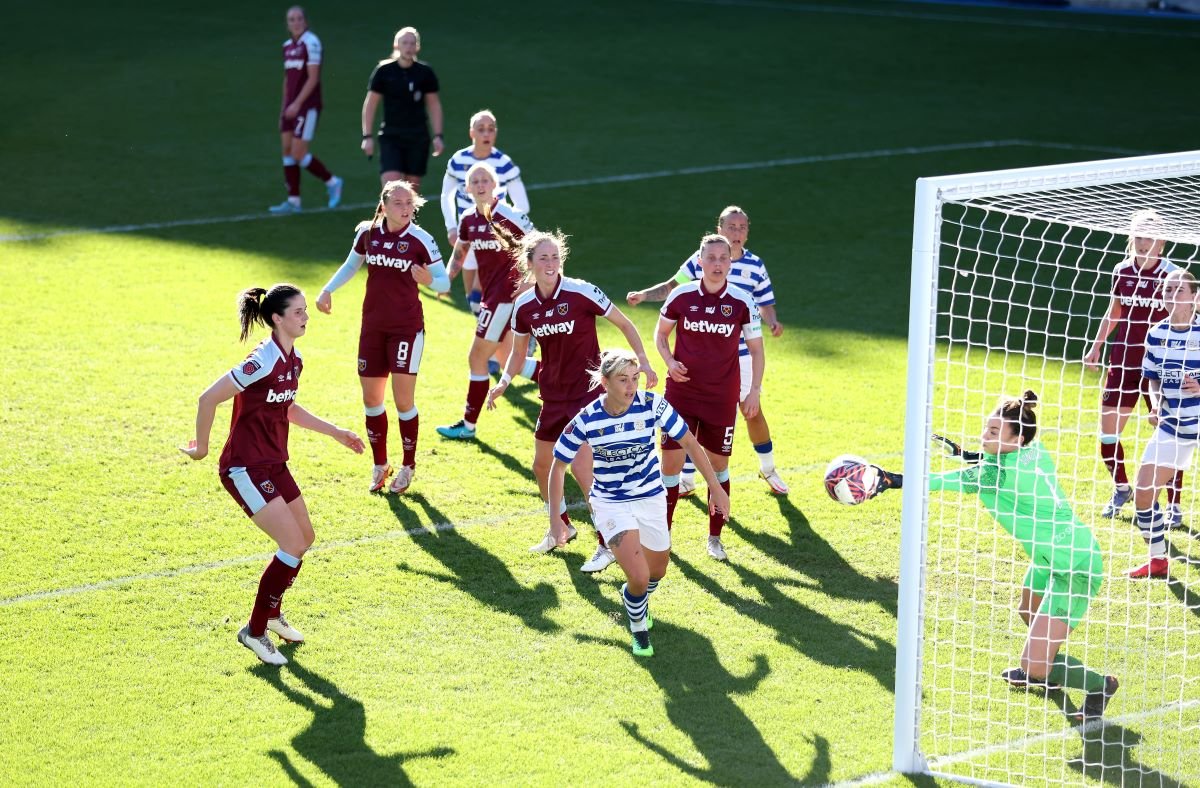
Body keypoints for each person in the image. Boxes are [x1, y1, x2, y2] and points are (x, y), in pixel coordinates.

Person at [870, 392, 1118, 721]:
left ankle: (1098, 685)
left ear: (1018, 438)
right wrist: (971, 453)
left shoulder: (996, 475)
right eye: (986, 428)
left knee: (1035, 662)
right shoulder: (1034, 452)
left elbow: (954, 481)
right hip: (1053, 556)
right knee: (1027, 610)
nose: (984, 435)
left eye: (993, 432)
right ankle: (1045, 666)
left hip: (1075, 567)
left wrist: (896, 480)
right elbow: (996, 464)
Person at [182, 284, 365, 665]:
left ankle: (272, 612)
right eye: (298, 311)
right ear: (277, 318)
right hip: (244, 467)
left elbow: (287, 408)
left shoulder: (292, 360)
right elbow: (208, 398)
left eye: (304, 310)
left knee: (306, 538)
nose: (305, 316)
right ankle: (255, 630)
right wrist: (201, 447)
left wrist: (336, 432)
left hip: (274, 463)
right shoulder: (261, 360)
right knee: (292, 544)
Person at [486, 230, 659, 573]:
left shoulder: (582, 291)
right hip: (553, 395)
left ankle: (605, 545)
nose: (551, 264)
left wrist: (644, 360)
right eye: (543, 259)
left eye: (555, 257)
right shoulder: (524, 306)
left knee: (583, 471)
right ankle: (561, 526)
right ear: (531, 264)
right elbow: (519, 352)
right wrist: (504, 382)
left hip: (586, 395)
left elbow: (624, 323)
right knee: (541, 465)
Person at [547, 349, 729, 657]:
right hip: (611, 503)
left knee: (657, 571)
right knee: (639, 576)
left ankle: (634, 599)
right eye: (622, 380)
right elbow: (557, 466)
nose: (631, 386)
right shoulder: (587, 419)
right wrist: (556, 520)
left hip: (650, 497)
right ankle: (639, 631)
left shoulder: (652, 405)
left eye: (635, 378)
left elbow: (689, 442)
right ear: (605, 382)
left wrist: (716, 487)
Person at [627, 205, 787, 496]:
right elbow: (673, 287)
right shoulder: (701, 259)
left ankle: (768, 468)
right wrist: (645, 295)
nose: (737, 233)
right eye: (731, 227)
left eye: (742, 228)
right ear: (719, 230)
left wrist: (772, 321)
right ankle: (687, 477)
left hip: (740, 353)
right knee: (694, 409)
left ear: (747, 232)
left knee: (751, 411)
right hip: (705, 352)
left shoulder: (755, 265)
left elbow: (764, 301)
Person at [315, 180, 450, 495]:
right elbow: (352, 264)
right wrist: (327, 290)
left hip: (406, 330)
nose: (406, 209)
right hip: (373, 328)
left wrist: (430, 280)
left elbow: (444, 284)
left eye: (409, 204)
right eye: (399, 204)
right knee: (371, 400)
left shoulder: (421, 240)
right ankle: (380, 464)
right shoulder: (368, 233)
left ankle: (408, 465)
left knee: (403, 401)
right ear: (385, 205)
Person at [655, 233, 764, 561]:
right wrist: (670, 362)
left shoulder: (744, 301)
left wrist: (754, 390)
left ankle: (715, 538)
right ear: (699, 262)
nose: (717, 264)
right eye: (711, 258)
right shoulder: (681, 296)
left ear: (731, 263)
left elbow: (757, 351)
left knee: (718, 468)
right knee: (670, 465)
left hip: (721, 398)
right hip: (681, 395)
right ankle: (664, 536)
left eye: (723, 258)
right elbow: (661, 336)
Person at [1084, 209, 1183, 526]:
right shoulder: (1122, 270)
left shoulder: (1173, 276)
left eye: (1150, 237)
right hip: (1123, 361)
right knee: (1108, 435)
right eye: (1139, 236)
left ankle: (1173, 505)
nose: (1143, 243)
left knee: (1168, 433)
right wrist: (1097, 346)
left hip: (1162, 364)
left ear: (1162, 242)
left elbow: (1186, 322)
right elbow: (1114, 311)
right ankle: (1121, 488)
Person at [436, 162, 538, 442]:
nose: (480, 185)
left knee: (476, 358)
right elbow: (460, 252)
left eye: (485, 180)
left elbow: (542, 247)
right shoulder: (468, 219)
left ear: (495, 185)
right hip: (493, 298)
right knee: (510, 361)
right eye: (474, 181)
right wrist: (446, 281)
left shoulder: (511, 216)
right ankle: (568, 382)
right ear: (467, 189)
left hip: (505, 299)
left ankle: (468, 426)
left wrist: (532, 282)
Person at [1128, 268, 1200, 579]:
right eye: (1167, 290)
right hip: (1174, 424)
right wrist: (1156, 405)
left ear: (1195, 297)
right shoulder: (1156, 333)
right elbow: (1151, 380)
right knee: (1143, 492)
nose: (1171, 296)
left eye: (1178, 290)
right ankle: (1157, 559)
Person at [439, 109, 530, 345]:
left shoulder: (504, 163)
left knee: (495, 292)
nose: (486, 133)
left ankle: (501, 344)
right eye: (481, 129)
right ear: (472, 133)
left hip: (496, 241)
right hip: (469, 235)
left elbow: (522, 205)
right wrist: (452, 227)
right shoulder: (458, 161)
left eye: (491, 128)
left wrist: (506, 225)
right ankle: (493, 340)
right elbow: (446, 195)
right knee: (474, 298)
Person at [269, 6, 343, 215]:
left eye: (299, 18)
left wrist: (297, 104)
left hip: (307, 106)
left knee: (298, 152)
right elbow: (287, 80)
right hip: (290, 107)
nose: (296, 22)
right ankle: (294, 201)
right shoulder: (287, 46)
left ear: (305, 21)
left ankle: (332, 182)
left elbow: (313, 78)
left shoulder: (311, 43)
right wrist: (285, 107)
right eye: (291, 19)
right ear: (287, 24)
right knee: (286, 150)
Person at [360, 27, 444, 190]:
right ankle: (389, 216)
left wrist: (438, 136)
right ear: (396, 46)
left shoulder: (425, 73)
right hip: (391, 135)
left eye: (412, 43)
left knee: (412, 191)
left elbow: (434, 104)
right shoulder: (384, 71)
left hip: (418, 136)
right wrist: (367, 136)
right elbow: (370, 104)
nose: (409, 47)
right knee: (392, 188)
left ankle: (408, 217)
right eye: (405, 43)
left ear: (417, 47)